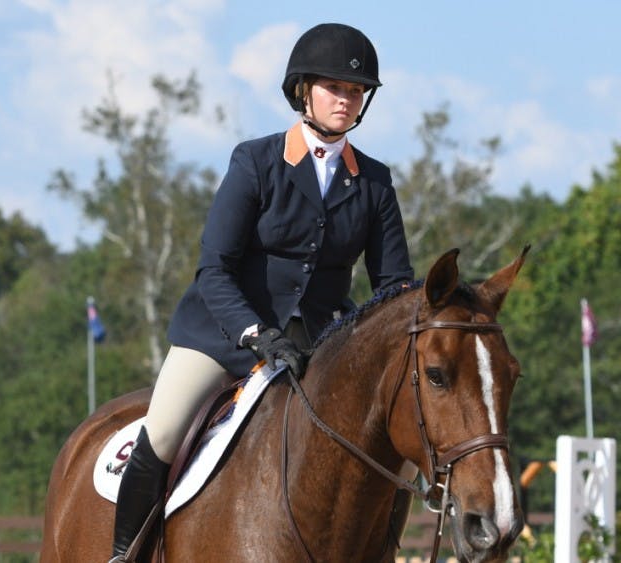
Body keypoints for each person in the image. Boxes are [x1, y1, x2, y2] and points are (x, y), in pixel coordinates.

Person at [109, 22, 415, 562]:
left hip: (319, 349)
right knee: (162, 431)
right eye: (335, 88)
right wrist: (258, 334)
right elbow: (214, 268)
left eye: (356, 91)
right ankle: (124, 555)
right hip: (224, 337)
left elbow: (394, 287)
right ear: (304, 91)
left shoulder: (373, 181)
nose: (346, 100)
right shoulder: (256, 162)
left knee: (394, 453)